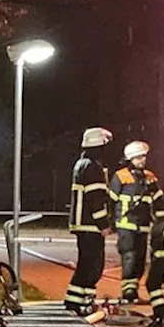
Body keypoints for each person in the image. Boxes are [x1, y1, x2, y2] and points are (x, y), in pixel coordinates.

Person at [111, 139, 164, 303]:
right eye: (139, 157)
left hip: (143, 225)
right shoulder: (121, 176)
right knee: (129, 255)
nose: (143, 160)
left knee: (141, 259)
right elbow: (111, 200)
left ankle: (133, 290)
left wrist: (161, 220)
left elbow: (158, 200)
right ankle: (127, 291)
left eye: (144, 157)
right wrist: (110, 222)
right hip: (125, 224)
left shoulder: (150, 177)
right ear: (131, 159)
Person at [64, 127, 114, 314]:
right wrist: (104, 225)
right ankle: (76, 305)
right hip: (90, 226)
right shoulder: (93, 167)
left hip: (83, 225)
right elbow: (96, 199)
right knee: (91, 266)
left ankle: (82, 303)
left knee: (88, 265)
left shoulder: (81, 164)